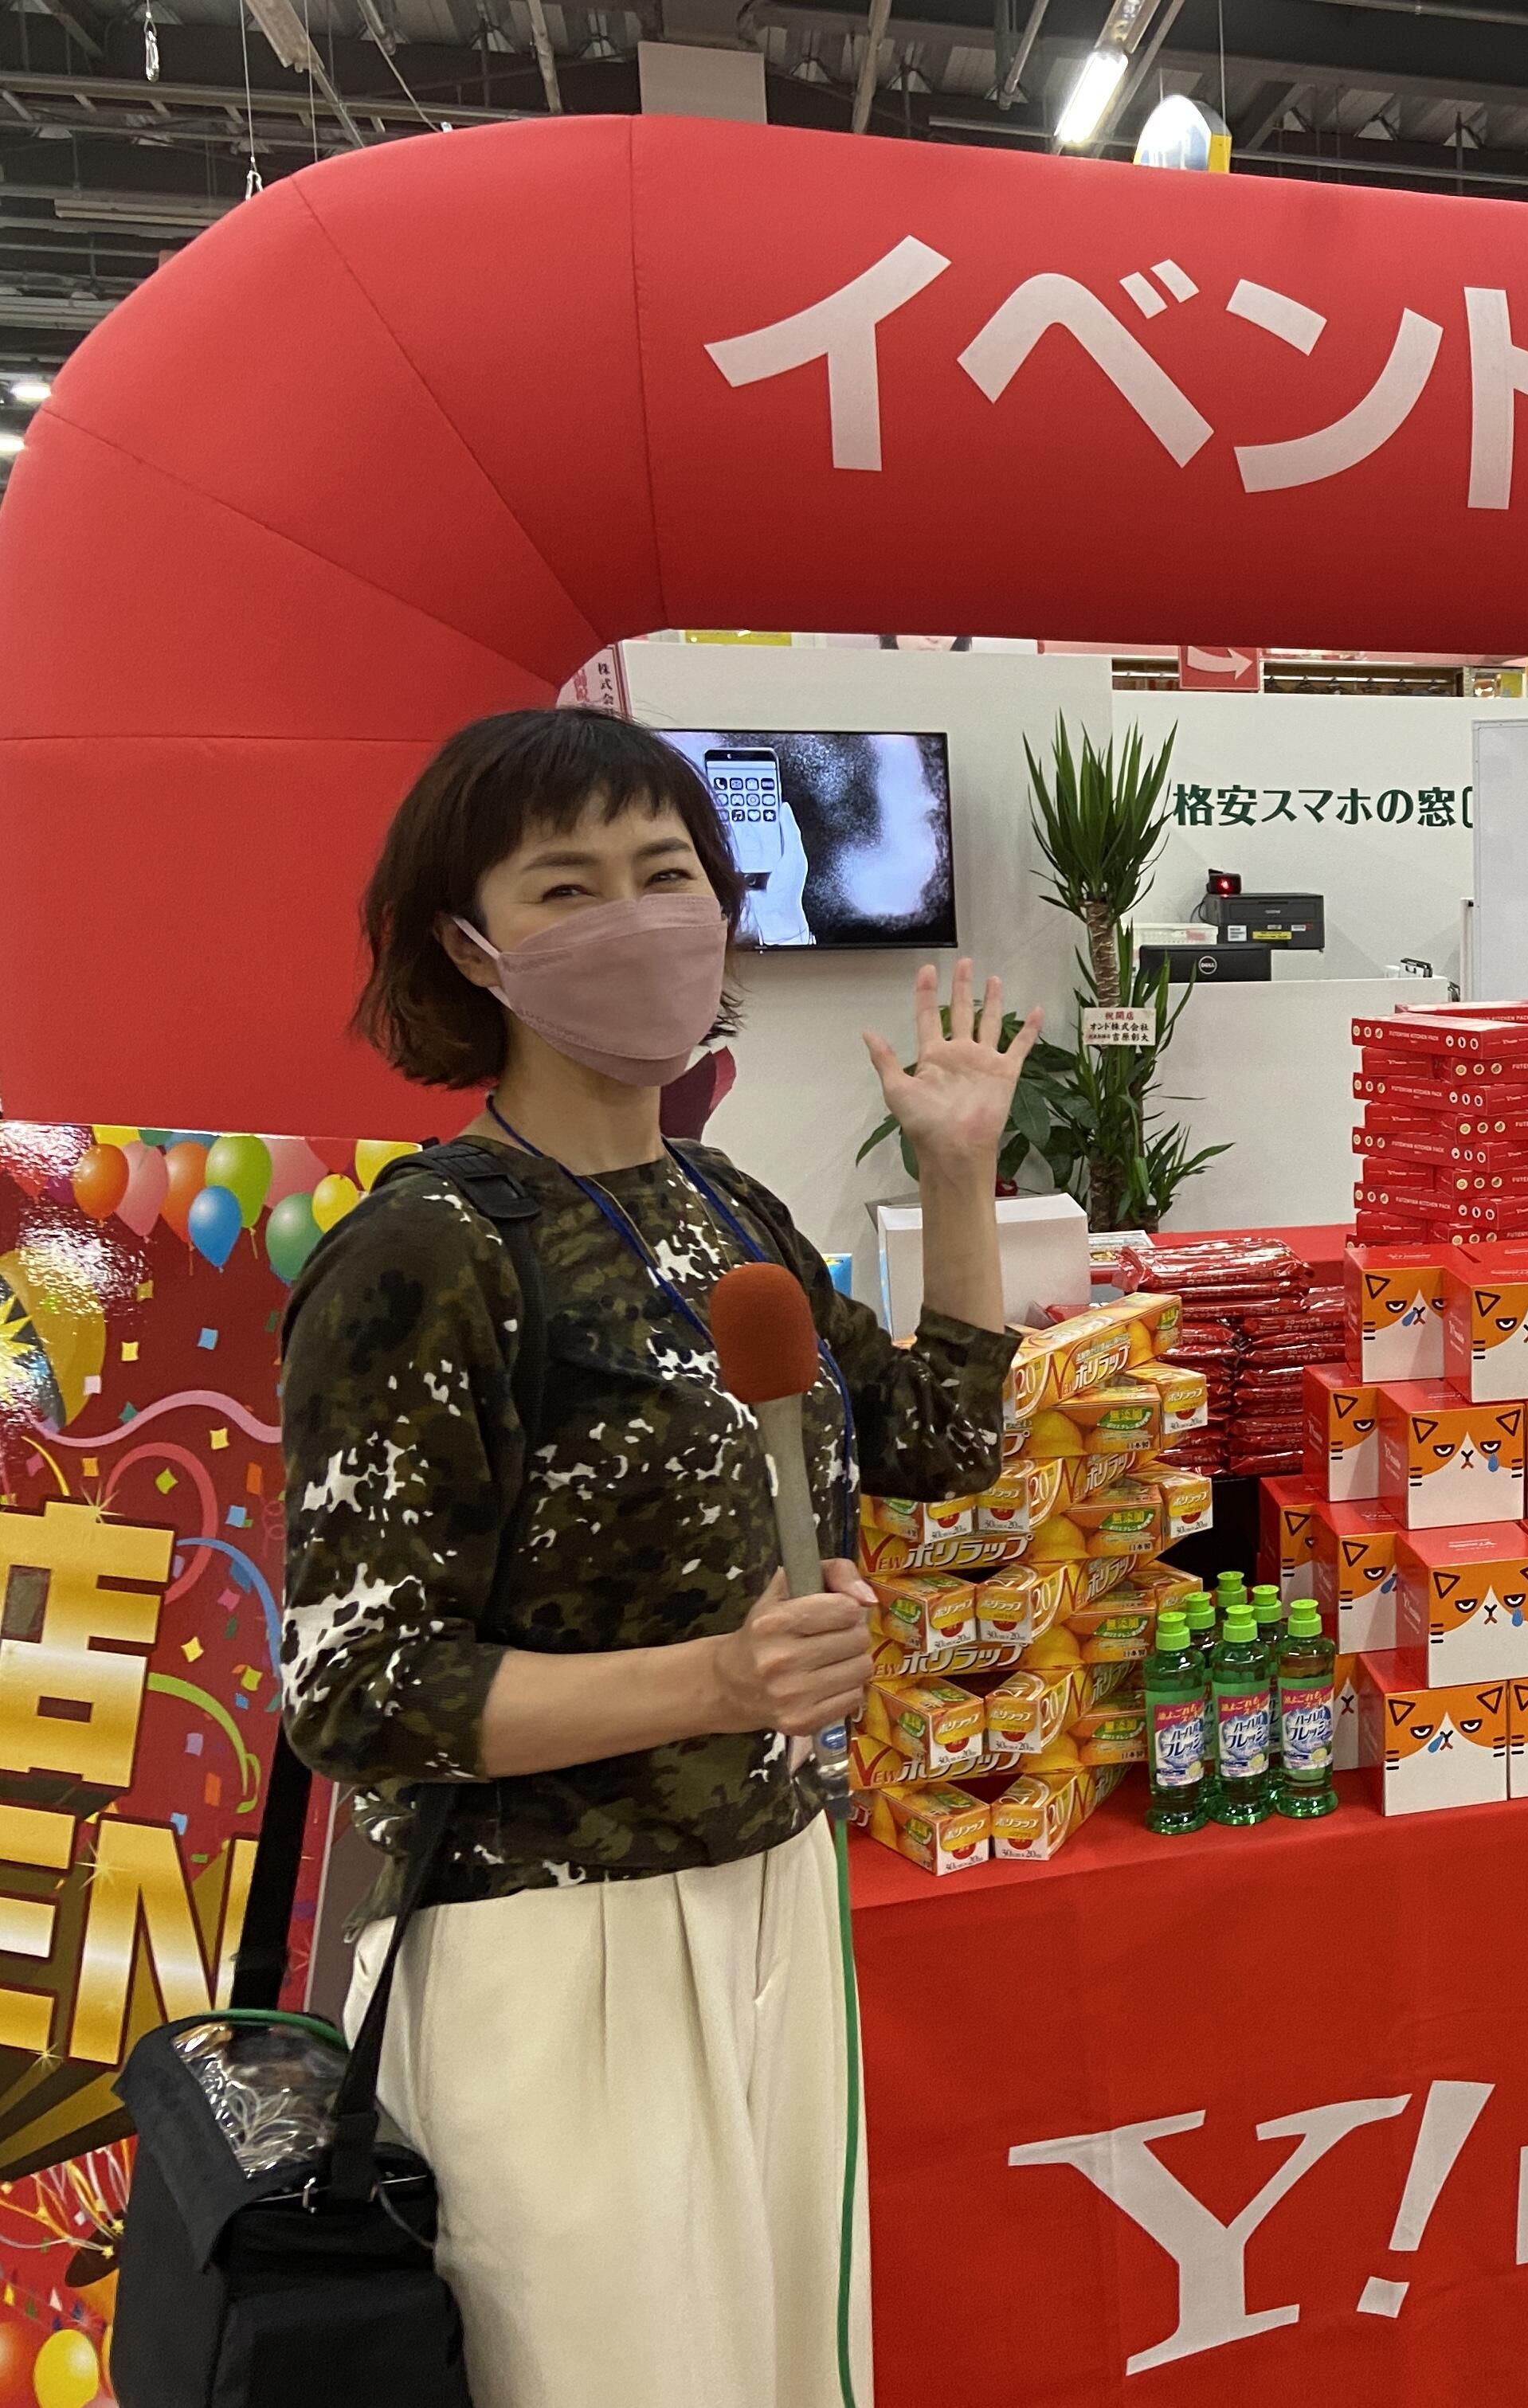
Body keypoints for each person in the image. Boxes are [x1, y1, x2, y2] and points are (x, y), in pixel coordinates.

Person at [279, 708, 1040, 2408]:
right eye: (567, 886)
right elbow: (356, 1688)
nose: (635, 917)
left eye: (667, 872)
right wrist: (716, 1676)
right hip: (553, 1948)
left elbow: (936, 1439)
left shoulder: (728, 1207)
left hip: (773, 1885)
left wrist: (959, 1174)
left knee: (785, 2364)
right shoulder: (426, 1253)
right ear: (468, 947)